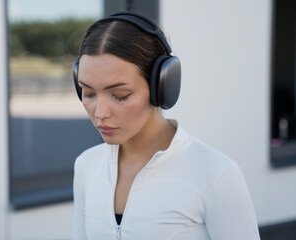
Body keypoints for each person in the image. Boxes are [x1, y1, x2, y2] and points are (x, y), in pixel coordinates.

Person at [72, 11, 260, 239]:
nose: (100, 113)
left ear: (162, 86)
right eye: (89, 93)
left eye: (120, 95)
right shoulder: (86, 167)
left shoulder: (216, 175)